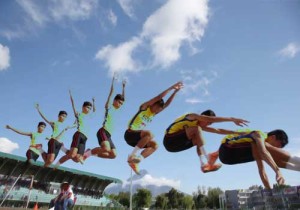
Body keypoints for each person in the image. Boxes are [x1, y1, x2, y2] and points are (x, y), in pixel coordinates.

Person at [125, 81, 183, 174]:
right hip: (130, 134)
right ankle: (132, 156)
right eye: (156, 108)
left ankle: (136, 161)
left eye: (159, 110)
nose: (157, 111)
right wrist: (171, 87)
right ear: (153, 104)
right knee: (150, 134)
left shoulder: (153, 114)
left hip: (138, 140)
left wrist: (175, 93)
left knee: (155, 145)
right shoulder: (144, 107)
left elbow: (167, 105)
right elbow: (159, 97)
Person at [163, 109, 249, 173]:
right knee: (197, 129)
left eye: (209, 124)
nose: (208, 124)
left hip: (174, 147)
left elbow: (217, 130)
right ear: (203, 117)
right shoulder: (192, 116)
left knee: (197, 138)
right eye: (208, 122)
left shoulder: (199, 127)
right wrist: (232, 119)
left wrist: (237, 133)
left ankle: (204, 165)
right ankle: (209, 159)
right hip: (169, 139)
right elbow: (210, 119)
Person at [207, 129, 295, 189]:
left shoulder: (256, 147)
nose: (276, 148)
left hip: (228, 157)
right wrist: (278, 171)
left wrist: (269, 191)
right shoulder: (259, 134)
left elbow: (262, 171)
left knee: (261, 152)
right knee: (264, 148)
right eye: (277, 145)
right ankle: (296, 161)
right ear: (273, 137)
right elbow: (265, 152)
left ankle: (215, 154)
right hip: (227, 149)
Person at [84, 75, 126, 160]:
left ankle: (91, 153)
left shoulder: (118, 110)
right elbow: (111, 92)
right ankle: (86, 154)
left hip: (109, 135)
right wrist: (113, 81)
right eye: (119, 102)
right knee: (106, 149)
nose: (120, 104)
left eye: (121, 103)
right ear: (114, 101)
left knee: (113, 155)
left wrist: (123, 87)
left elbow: (123, 98)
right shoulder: (109, 106)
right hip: (103, 131)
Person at [55, 90, 95, 167]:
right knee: (72, 155)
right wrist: (71, 95)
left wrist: (93, 102)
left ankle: (61, 147)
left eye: (90, 108)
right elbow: (73, 104)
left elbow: (94, 111)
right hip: (79, 135)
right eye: (87, 107)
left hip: (85, 137)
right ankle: (56, 165)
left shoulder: (89, 116)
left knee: (76, 160)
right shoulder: (79, 114)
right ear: (83, 107)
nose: (89, 109)